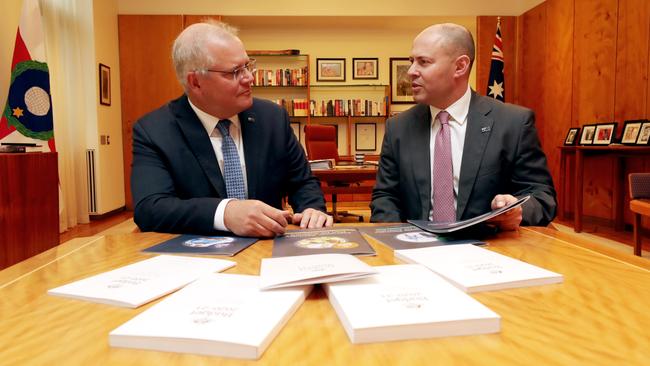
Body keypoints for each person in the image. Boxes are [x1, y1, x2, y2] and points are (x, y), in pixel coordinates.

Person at [131, 21, 332, 237]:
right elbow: (150, 208)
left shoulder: (273, 118)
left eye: (247, 65)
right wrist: (225, 213)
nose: (249, 78)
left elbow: (302, 182)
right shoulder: (154, 131)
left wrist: (312, 209)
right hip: (197, 255)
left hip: (270, 249)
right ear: (196, 82)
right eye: (235, 71)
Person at [371, 23, 556, 231]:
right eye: (412, 61)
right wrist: (396, 239)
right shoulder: (398, 128)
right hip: (416, 247)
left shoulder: (513, 123)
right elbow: (385, 197)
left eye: (423, 62)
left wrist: (518, 210)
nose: (411, 71)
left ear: (460, 66)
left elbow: (541, 196)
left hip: (490, 247)